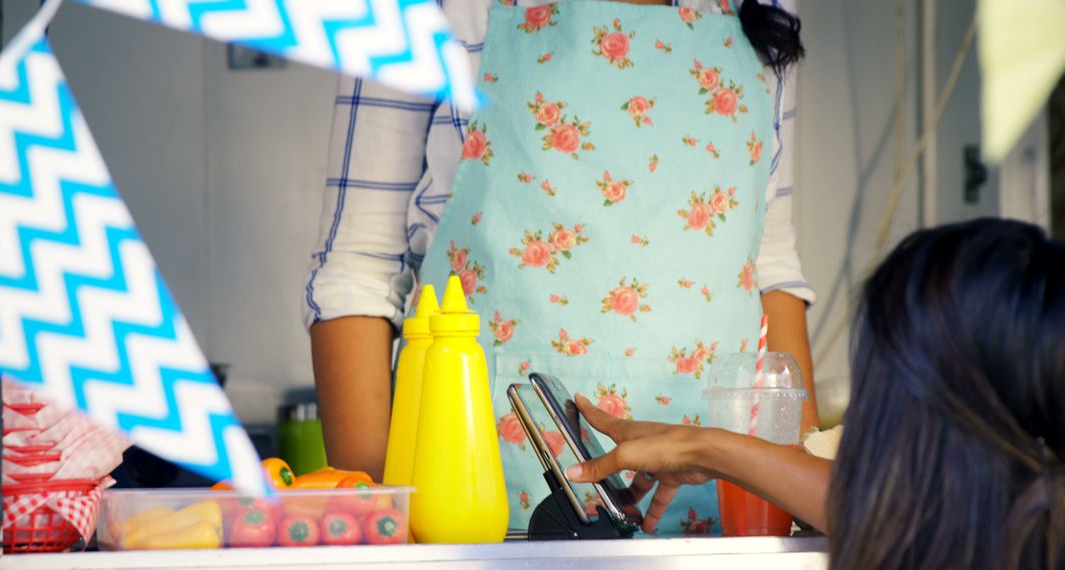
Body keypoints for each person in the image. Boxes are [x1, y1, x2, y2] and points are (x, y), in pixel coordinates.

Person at [304, 0, 819, 534]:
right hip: (474, 516)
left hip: (728, 518)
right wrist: (380, 527)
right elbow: (358, 271)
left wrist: (804, 505)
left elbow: (770, 268)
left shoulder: (766, 7)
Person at [567, 218, 1065, 568]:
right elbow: (888, 507)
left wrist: (707, 448)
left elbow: (895, 509)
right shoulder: (1017, 515)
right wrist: (706, 448)